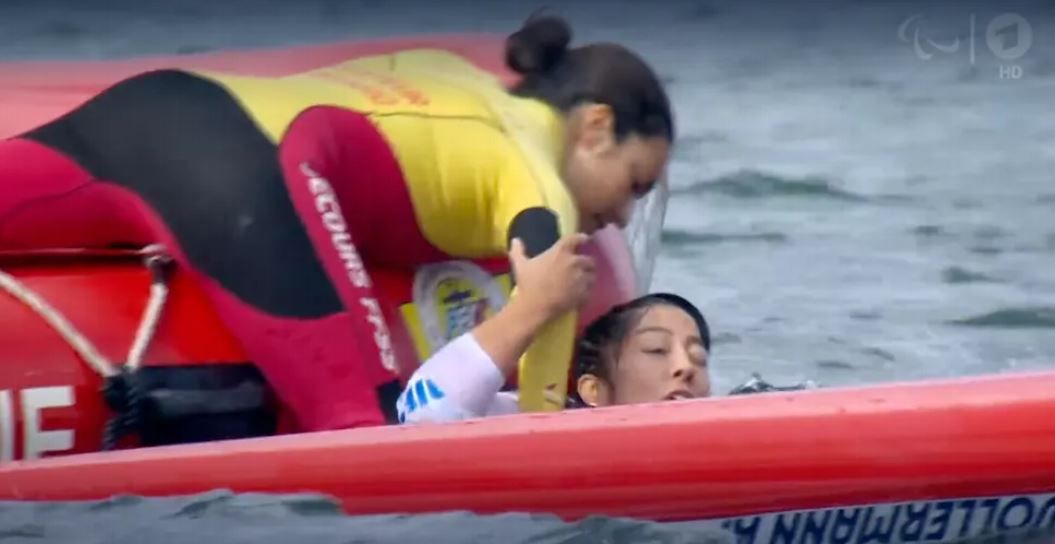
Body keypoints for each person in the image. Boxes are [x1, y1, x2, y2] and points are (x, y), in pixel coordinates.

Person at [0, 14, 674, 433]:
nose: (618, 215)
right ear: (594, 127)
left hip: (155, 106)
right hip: (239, 180)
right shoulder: (538, 183)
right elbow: (541, 411)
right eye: (632, 184)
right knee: (360, 427)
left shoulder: (450, 75)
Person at [396, 234, 711, 422]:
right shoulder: (544, 421)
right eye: (656, 350)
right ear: (594, 391)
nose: (686, 368)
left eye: (698, 358)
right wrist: (535, 304)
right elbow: (426, 413)